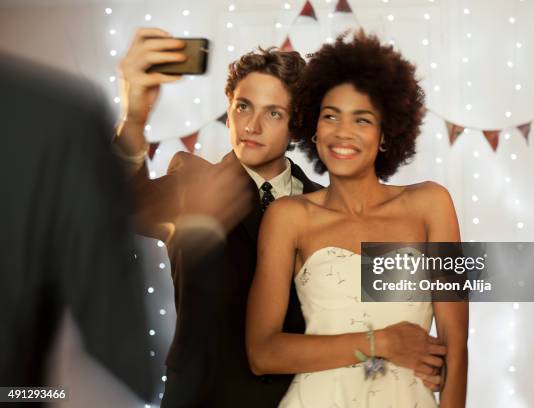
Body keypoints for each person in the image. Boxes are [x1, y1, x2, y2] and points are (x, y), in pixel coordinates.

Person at [246, 31, 468, 407]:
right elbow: (263, 353)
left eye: (362, 120)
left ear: (385, 135)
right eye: (330, 116)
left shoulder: (431, 205)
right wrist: (381, 343)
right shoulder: (289, 217)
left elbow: (456, 341)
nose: (342, 132)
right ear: (313, 129)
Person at [112, 28, 322, 407]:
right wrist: (134, 118)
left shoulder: (325, 203)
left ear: (296, 123)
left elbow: (391, 281)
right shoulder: (191, 185)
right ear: (228, 108)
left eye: (273, 112)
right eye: (243, 106)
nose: (251, 126)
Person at [0, 54, 155, 405]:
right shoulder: (55, 118)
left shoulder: (56, 119)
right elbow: (123, 359)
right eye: (241, 106)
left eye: (274, 112)